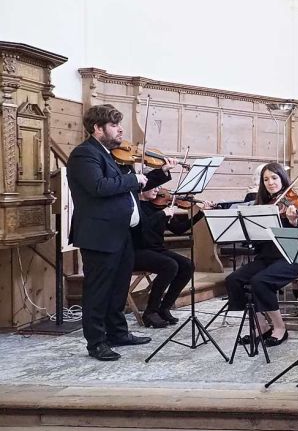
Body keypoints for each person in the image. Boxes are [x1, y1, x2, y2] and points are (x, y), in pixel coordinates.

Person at [67, 104, 177, 361]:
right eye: (114, 125)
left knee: (118, 289)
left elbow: (133, 186)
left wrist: (160, 173)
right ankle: (96, 342)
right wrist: (132, 179)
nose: (120, 130)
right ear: (97, 128)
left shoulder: (110, 155)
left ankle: (118, 333)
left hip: (121, 234)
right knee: (98, 291)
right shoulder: (84, 154)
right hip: (100, 235)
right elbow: (98, 186)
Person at [223, 162, 298, 347]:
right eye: (266, 179)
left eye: (274, 178)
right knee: (233, 280)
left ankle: (280, 328)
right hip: (267, 257)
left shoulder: (292, 200)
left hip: (291, 258)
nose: (270, 182)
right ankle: (261, 326)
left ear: (282, 179)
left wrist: (293, 222)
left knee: (260, 281)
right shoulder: (261, 204)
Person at [132, 186, 214, 328]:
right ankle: (150, 311)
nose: (157, 190)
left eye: (159, 187)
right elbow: (142, 229)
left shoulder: (160, 207)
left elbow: (178, 229)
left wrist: (200, 213)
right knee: (169, 265)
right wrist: (162, 214)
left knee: (187, 265)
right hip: (137, 252)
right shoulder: (136, 206)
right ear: (142, 188)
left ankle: (164, 308)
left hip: (157, 250)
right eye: (153, 186)